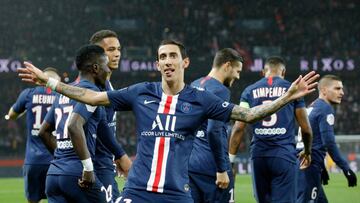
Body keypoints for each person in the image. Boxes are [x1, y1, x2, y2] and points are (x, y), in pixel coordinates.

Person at [18, 39, 319, 203]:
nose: (167, 61)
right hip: (137, 192)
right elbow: (94, 99)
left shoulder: (201, 99)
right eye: (162, 56)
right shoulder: (140, 93)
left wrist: (287, 97)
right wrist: (51, 82)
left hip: (176, 194)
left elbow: (250, 115)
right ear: (158, 64)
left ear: (183, 62)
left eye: (172, 55)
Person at [228, 56, 313, 203]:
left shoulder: (249, 91)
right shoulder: (292, 90)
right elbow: (305, 129)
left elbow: (238, 128)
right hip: (284, 154)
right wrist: (307, 150)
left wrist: (230, 160)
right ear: (283, 72)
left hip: (258, 155)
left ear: (263, 72)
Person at [37, 44, 110, 203]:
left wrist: (63, 155)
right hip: (78, 174)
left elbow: (43, 132)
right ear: (96, 68)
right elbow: (73, 125)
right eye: (106, 65)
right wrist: (88, 168)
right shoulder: (91, 93)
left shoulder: (64, 93)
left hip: (54, 174)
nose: (108, 70)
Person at [188, 48, 243, 203]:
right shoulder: (220, 90)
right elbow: (213, 130)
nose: (238, 76)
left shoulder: (194, 84)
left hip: (191, 165)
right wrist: (221, 169)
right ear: (227, 65)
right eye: (237, 71)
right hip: (212, 166)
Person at [296, 75, 357, 203]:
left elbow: (314, 140)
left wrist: (322, 167)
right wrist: (346, 168)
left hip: (303, 162)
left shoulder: (312, 106)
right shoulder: (325, 109)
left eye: (342, 89)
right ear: (324, 90)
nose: (342, 92)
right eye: (337, 88)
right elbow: (328, 142)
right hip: (309, 166)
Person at [5, 68, 60, 203]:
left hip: (33, 160)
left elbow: (11, 115)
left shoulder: (28, 94)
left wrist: (22, 111)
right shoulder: (62, 96)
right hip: (58, 160)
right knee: (60, 199)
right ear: (54, 81)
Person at [89, 29, 132, 202]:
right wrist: (120, 155)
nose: (116, 54)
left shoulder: (107, 84)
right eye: (110, 50)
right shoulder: (94, 89)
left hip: (104, 164)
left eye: (118, 49)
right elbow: (100, 128)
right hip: (97, 168)